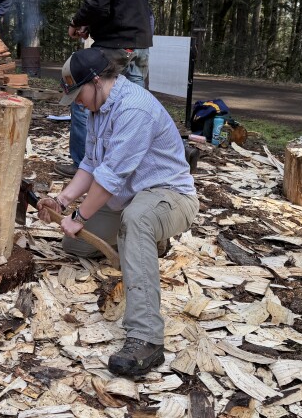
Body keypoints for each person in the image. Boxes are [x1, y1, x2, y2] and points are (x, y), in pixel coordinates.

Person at [38, 48, 198, 377]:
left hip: (169, 197)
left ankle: (146, 338)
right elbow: (92, 166)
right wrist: (63, 201)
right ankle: (149, 245)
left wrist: (80, 216)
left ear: (96, 81)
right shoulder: (99, 108)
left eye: (78, 95)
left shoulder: (133, 108)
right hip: (131, 200)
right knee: (77, 244)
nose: (78, 104)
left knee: (137, 220)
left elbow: (109, 179)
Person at [55, 0, 154, 179]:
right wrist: (91, 24)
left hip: (116, 43)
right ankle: (140, 168)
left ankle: (81, 165)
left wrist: (77, 22)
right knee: (136, 107)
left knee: (81, 95)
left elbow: (97, 3)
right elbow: (116, 4)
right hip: (140, 42)